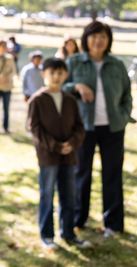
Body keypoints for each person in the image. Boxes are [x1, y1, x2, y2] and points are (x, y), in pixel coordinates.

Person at [62, 21, 133, 238]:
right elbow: (58, 87)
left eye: (103, 36)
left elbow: (127, 95)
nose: (98, 41)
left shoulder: (117, 64)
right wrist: (76, 86)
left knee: (112, 174)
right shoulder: (73, 62)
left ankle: (113, 224)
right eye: (94, 36)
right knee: (81, 173)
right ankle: (78, 218)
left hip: (113, 128)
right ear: (86, 39)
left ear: (108, 40)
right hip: (83, 127)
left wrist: (123, 115)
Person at [28, 58, 92, 250]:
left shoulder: (70, 100)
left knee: (69, 195)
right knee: (47, 194)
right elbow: (34, 128)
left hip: (69, 156)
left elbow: (80, 127)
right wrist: (56, 146)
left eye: (60, 73)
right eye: (51, 73)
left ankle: (69, 233)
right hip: (48, 157)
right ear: (44, 75)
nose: (56, 77)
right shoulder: (37, 100)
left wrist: (71, 144)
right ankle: (47, 235)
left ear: (66, 75)